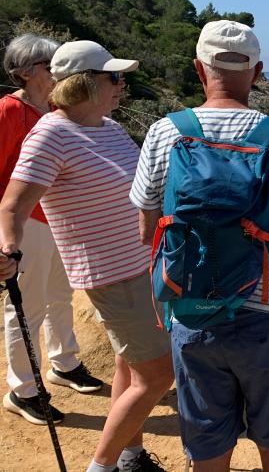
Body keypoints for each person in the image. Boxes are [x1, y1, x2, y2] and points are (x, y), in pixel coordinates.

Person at [130, 20, 269, 472]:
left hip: (191, 309)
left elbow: (148, 234)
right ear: (256, 73)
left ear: (199, 69)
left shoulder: (166, 133)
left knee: (208, 448)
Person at [0, 40, 172, 472]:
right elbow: (13, 206)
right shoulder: (51, 134)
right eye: (113, 77)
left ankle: (131, 457)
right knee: (158, 374)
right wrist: (8, 247)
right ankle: (102, 466)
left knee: (130, 370)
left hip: (144, 264)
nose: (122, 84)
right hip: (112, 274)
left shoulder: (109, 128)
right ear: (83, 84)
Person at [1, 33, 104, 425]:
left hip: (61, 219)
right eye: (49, 67)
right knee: (26, 305)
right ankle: (23, 389)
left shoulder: (56, 109)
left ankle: (64, 363)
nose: (58, 73)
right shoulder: (10, 110)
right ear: (25, 73)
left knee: (61, 293)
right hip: (27, 222)